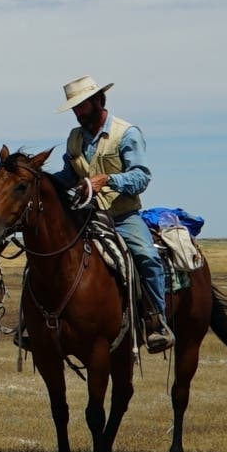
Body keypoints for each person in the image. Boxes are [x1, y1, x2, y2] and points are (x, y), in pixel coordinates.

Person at [52, 75, 172, 353]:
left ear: (98, 100)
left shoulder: (126, 133)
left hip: (122, 216)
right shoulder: (74, 138)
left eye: (82, 106)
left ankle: (157, 322)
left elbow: (141, 177)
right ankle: (37, 324)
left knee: (147, 256)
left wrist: (107, 180)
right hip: (85, 216)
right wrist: (40, 182)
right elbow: (68, 176)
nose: (78, 113)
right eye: (74, 108)